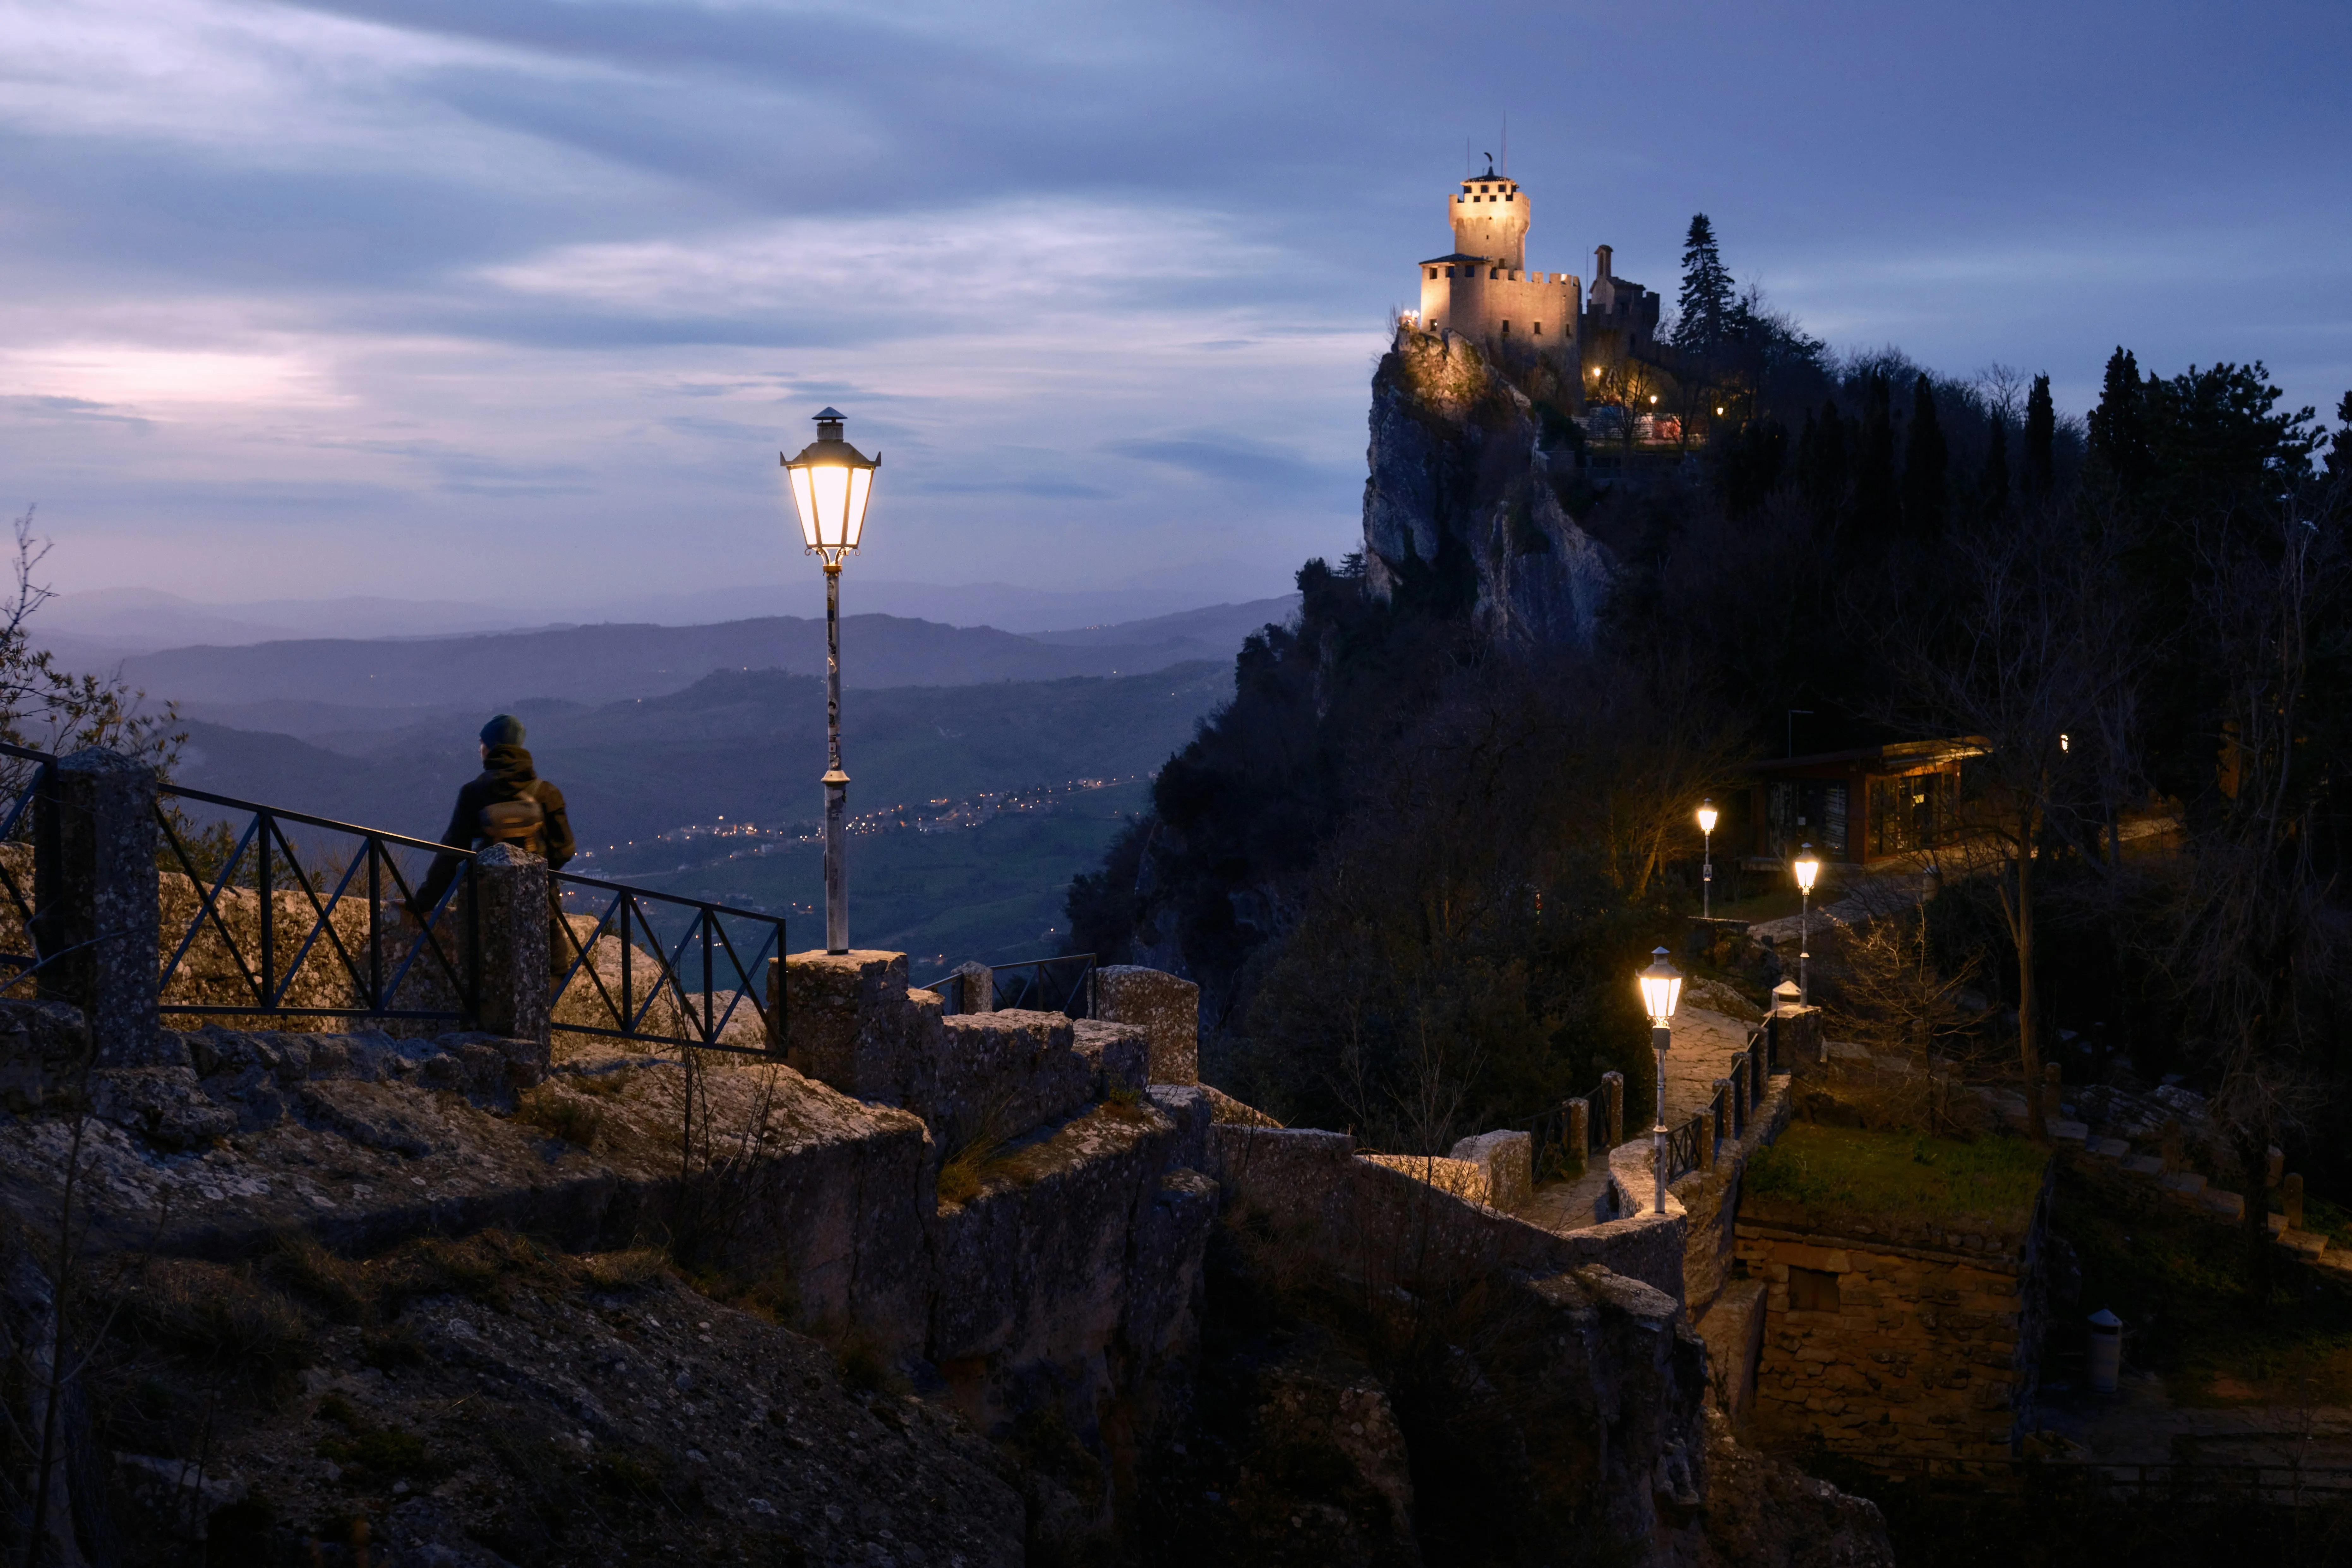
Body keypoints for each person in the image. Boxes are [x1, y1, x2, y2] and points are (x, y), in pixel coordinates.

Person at [408, 716, 576, 969]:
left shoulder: (473, 793)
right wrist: (536, 873)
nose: (479, 750)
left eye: (482, 744)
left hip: (486, 909)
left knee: (485, 979)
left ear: (491, 747)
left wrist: (422, 903)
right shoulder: (547, 794)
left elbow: (451, 854)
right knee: (552, 972)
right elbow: (565, 848)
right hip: (541, 908)